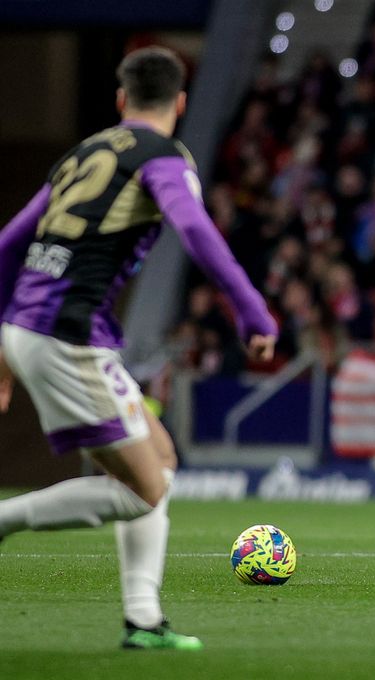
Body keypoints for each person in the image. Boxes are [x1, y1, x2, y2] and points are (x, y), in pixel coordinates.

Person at [0, 46, 278, 647]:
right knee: (145, 489)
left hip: (32, 327)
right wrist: (252, 309)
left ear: (122, 99)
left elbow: (8, 245)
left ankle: (144, 619)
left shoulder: (84, 154)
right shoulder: (163, 157)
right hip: (67, 335)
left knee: (160, 459)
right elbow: (194, 226)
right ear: (180, 103)